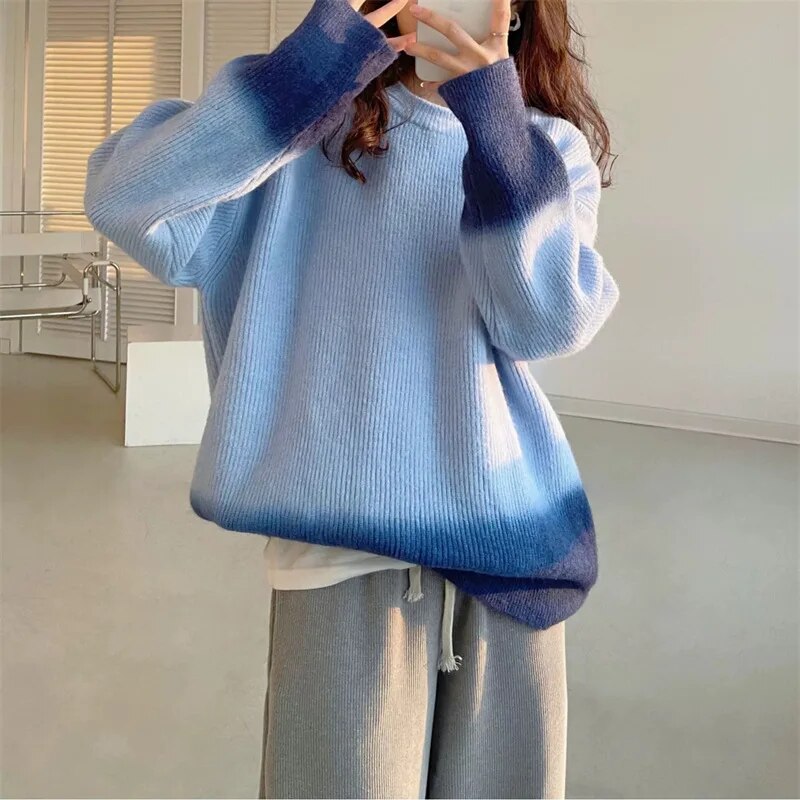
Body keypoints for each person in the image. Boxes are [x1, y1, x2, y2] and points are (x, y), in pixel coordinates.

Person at [84, 0, 618, 796]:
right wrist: (309, 68)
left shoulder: (544, 146)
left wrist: (495, 128)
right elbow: (125, 197)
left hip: (513, 546)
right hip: (340, 551)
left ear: (517, 13)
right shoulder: (297, 133)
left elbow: (542, 323)